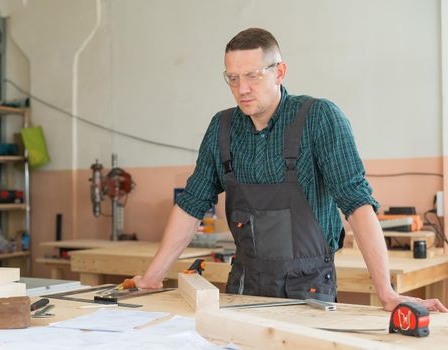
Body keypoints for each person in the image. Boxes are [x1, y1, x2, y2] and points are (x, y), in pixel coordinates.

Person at [133, 27, 447, 312]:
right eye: (232, 78)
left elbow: (357, 204)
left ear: (279, 72)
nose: (242, 88)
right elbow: (192, 203)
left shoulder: (319, 118)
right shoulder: (223, 127)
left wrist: (387, 292)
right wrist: (152, 277)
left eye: (253, 76)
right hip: (242, 289)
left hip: (307, 290)